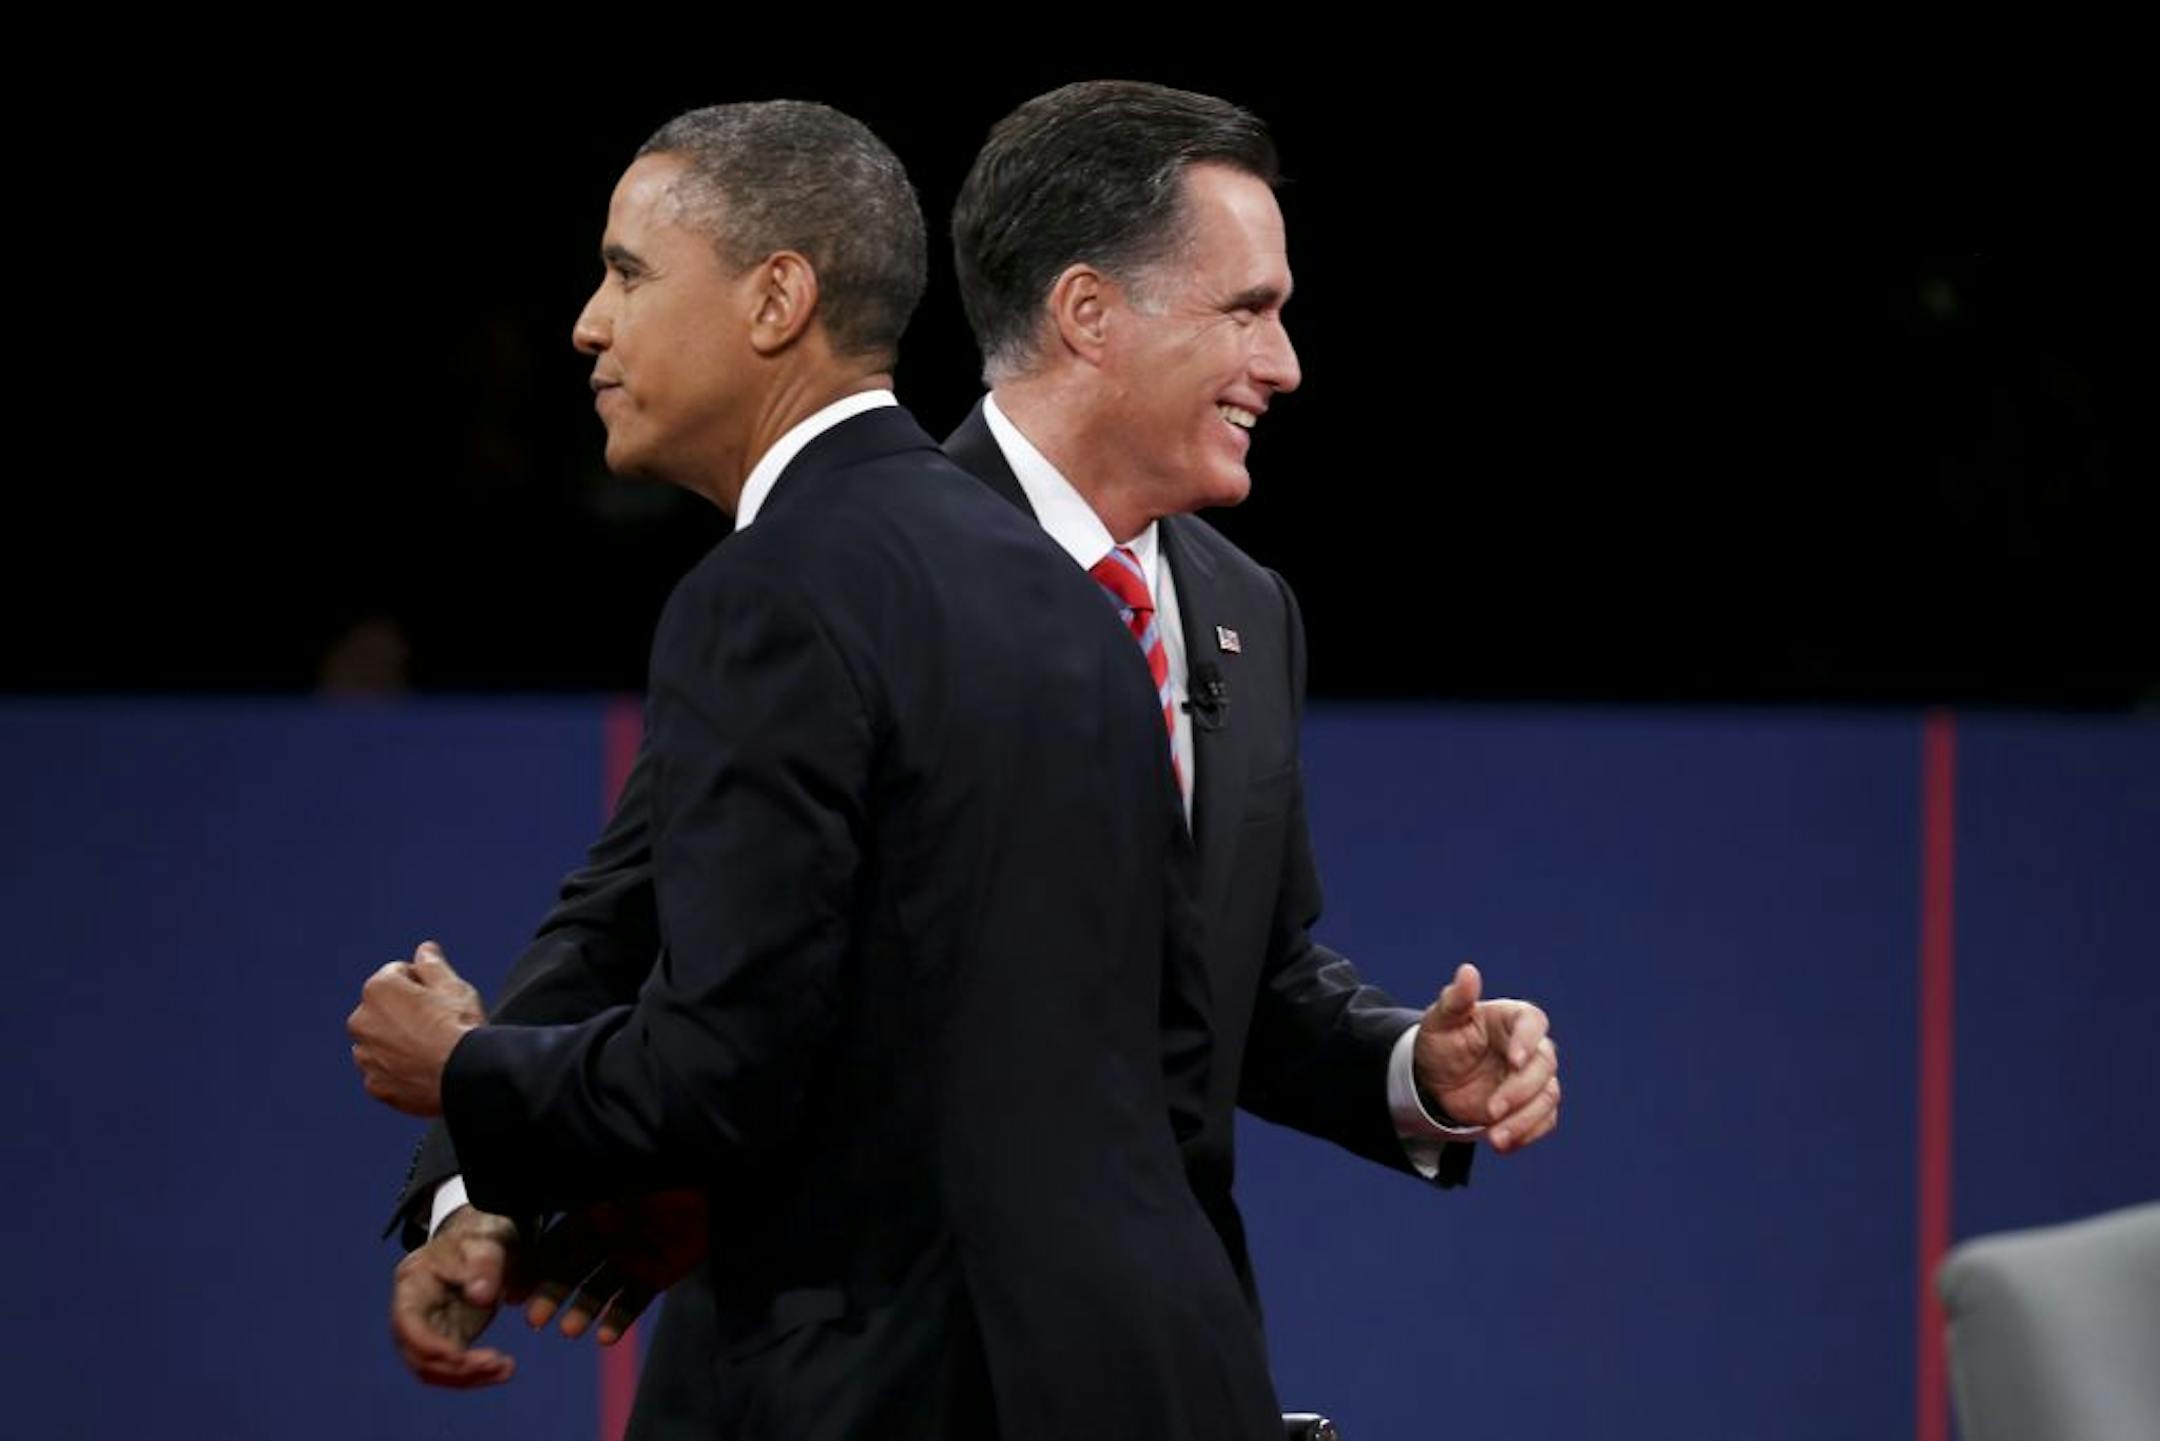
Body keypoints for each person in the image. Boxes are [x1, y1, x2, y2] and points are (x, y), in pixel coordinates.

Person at [378, 82, 1563, 1432]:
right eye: (1249, 309)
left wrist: (1414, 1065)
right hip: (882, 1362)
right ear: (1089, 314)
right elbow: (629, 914)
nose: (1286, 362)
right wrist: (480, 1185)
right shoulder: (847, 569)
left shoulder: (1243, 611)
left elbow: (1222, 983)